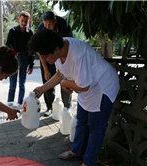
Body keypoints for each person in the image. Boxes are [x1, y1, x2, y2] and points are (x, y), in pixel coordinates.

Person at [27, 29, 120, 166]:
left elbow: (84, 86)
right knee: (81, 121)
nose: (44, 60)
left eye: (45, 57)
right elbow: (60, 73)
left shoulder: (77, 55)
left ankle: (88, 162)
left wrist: (65, 83)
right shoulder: (59, 49)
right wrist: (43, 88)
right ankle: (76, 151)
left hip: (102, 87)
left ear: (56, 50)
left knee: (95, 128)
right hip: (87, 86)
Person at [37, 11, 73, 117]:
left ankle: (67, 108)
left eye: (50, 24)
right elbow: (40, 51)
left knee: (66, 80)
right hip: (47, 57)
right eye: (45, 24)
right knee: (48, 79)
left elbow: (70, 45)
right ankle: (49, 107)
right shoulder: (41, 28)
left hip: (62, 56)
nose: (47, 27)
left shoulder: (64, 26)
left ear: (55, 20)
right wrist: (46, 69)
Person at [6, 11, 34, 105]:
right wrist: (7, 61)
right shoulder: (12, 31)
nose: (23, 23)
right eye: (22, 20)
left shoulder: (30, 33)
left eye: (26, 21)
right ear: (19, 19)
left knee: (22, 84)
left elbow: (32, 50)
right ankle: (10, 105)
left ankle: (20, 104)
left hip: (25, 59)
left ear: (28, 21)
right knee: (12, 85)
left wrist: (31, 65)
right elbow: (7, 47)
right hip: (13, 59)